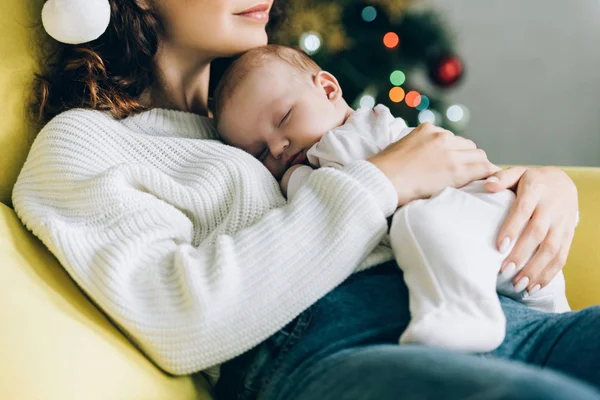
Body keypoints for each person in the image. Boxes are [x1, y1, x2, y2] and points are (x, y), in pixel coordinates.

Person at [13, 0, 599, 399]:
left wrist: (542, 187)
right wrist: (379, 183)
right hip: (343, 348)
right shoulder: (84, 142)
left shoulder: (274, 104)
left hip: (508, 318)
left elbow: (445, 187)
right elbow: (180, 318)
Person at [213, 44, 571, 353]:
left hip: (497, 231)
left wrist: (546, 185)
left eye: (284, 118)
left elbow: (469, 168)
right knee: (421, 226)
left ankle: (464, 312)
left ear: (327, 88)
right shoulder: (304, 169)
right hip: (480, 255)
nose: (278, 147)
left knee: (419, 222)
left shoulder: (363, 129)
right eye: (259, 152)